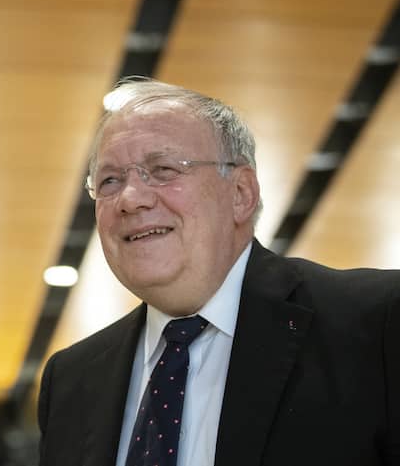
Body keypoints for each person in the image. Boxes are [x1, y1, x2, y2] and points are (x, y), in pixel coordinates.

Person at [37, 78, 400, 466]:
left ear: (241, 194)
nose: (130, 199)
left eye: (162, 169)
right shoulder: (71, 379)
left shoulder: (375, 324)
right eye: (110, 180)